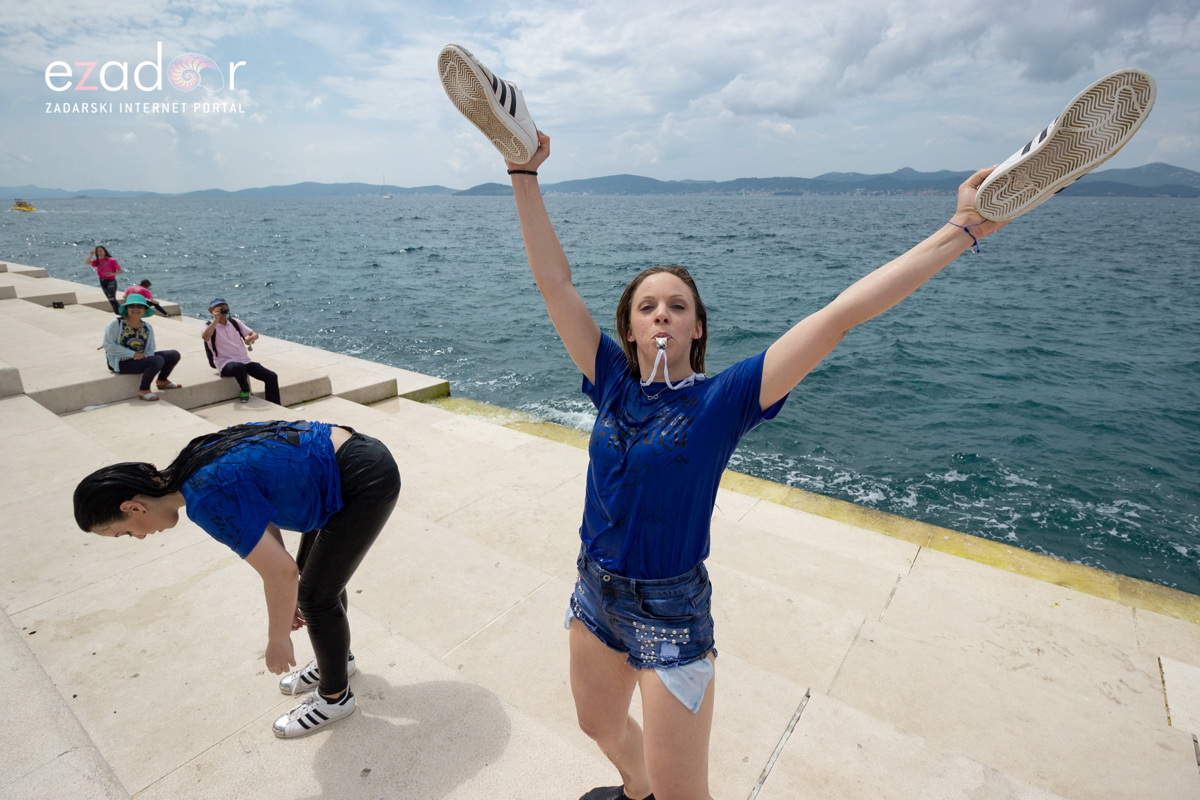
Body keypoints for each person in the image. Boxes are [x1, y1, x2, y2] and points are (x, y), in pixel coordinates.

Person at [438, 47, 1154, 800]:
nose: (659, 313)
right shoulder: (609, 381)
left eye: (675, 305)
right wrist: (524, 172)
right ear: (627, 327)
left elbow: (842, 313)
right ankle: (633, 790)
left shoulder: (724, 400)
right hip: (594, 592)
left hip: (673, 613)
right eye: (646, 305)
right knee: (598, 728)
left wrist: (962, 230)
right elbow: (554, 281)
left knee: (691, 796)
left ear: (696, 331)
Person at [73, 419, 401, 738]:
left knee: (316, 596)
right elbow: (260, 517)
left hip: (361, 478)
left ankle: (335, 699)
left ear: (132, 508)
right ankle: (338, 663)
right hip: (340, 462)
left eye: (124, 533)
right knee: (315, 583)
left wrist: (277, 639)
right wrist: (286, 600)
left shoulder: (204, 498)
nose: (140, 538)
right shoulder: (191, 462)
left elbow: (280, 573)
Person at [102, 294, 183, 402]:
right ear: (127, 308)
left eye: (139, 306)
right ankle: (144, 390)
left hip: (140, 359)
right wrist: (134, 354)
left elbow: (150, 347)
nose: (136, 309)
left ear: (145, 309)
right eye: (132, 306)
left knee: (173, 354)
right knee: (157, 360)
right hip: (121, 362)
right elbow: (108, 345)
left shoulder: (147, 326)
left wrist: (146, 357)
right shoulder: (116, 323)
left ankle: (162, 381)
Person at [202, 297, 280, 404]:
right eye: (218, 309)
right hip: (226, 363)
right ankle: (245, 390)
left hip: (244, 361)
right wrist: (215, 320)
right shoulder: (208, 326)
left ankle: (275, 403)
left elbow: (254, 333)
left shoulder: (235, 322)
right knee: (238, 366)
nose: (222, 311)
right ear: (210, 311)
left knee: (271, 376)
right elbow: (205, 337)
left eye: (224, 308)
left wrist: (252, 337)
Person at [87, 245, 123, 314]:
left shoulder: (112, 260)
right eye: (98, 251)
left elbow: (120, 270)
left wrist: (112, 274)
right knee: (110, 299)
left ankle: (121, 312)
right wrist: (91, 255)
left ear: (105, 251)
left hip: (111, 281)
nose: (99, 253)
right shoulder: (98, 261)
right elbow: (87, 262)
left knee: (111, 297)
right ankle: (119, 312)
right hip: (102, 281)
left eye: (101, 251)